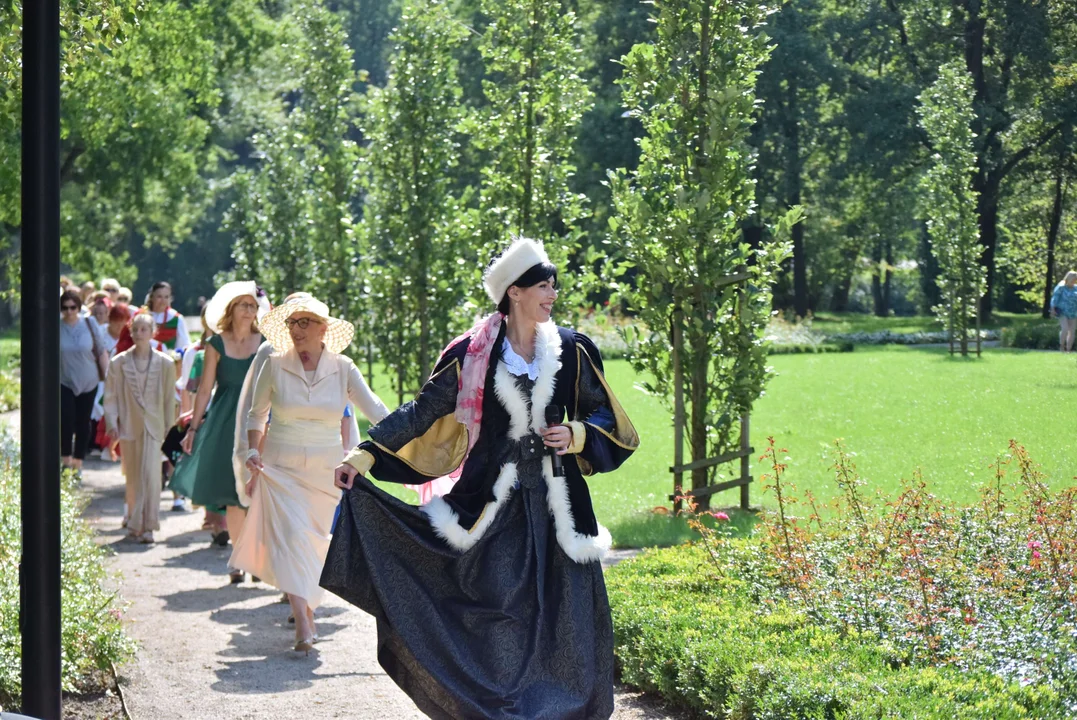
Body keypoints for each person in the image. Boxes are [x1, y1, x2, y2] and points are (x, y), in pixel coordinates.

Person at [321, 237, 640, 717]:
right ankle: (502, 707)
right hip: (492, 508)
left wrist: (576, 433)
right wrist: (364, 455)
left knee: (565, 617)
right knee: (498, 616)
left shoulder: (573, 349)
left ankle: (562, 709)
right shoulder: (473, 354)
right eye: (542, 286)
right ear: (514, 292)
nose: (552, 294)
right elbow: (424, 411)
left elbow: (608, 418)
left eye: (554, 286)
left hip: (560, 509)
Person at [231, 294, 389, 654]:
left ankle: (306, 604)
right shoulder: (273, 364)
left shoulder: (344, 367)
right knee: (289, 539)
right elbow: (256, 415)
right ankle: (302, 619)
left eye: (305, 322)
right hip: (281, 466)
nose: (297, 330)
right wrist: (253, 450)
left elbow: (374, 409)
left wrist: (412, 429)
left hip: (325, 470)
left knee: (314, 543)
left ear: (323, 328)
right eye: (292, 322)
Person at [169, 281, 269, 571]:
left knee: (259, 494)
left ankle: (260, 560)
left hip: (259, 421)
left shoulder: (266, 342)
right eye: (244, 304)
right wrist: (193, 428)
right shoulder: (215, 344)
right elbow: (204, 390)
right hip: (225, 423)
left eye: (253, 305)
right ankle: (239, 561)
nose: (251, 310)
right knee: (232, 493)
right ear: (231, 309)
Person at [103, 313, 177, 543]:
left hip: (155, 427)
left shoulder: (166, 363)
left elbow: (169, 398)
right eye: (136, 329)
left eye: (145, 329)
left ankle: (149, 526)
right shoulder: (119, 363)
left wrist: (169, 427)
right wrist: (112, 423)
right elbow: (111, 396)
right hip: (128, 425)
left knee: (151, 476)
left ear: (153, 332)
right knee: (134, 477)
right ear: (131, 332)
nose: (139, 333)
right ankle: (136, 523)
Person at [60, 289, 110, 472]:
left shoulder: (90, 324)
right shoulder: (56, 326)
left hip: (89, 380)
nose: (69, 311)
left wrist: (107, 376)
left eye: (73, 307)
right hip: (65, 380)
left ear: (79, 307)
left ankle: (78, 462)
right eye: (65, 308)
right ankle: (66, 460)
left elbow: (101, 350)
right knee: (66, 419)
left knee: (83, 422)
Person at [1050, 271, 1077, 353]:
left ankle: (1068, 349)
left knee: (1072, 331)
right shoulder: (1061, 287)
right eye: (1072, 279)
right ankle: (1062, 346)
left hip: (1074, 312)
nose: (1074, 281)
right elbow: (1055, 298)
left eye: (1075, 279)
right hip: (1063, 311)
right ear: (1068, 278)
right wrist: (1053, 308)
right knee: (1065, 329)